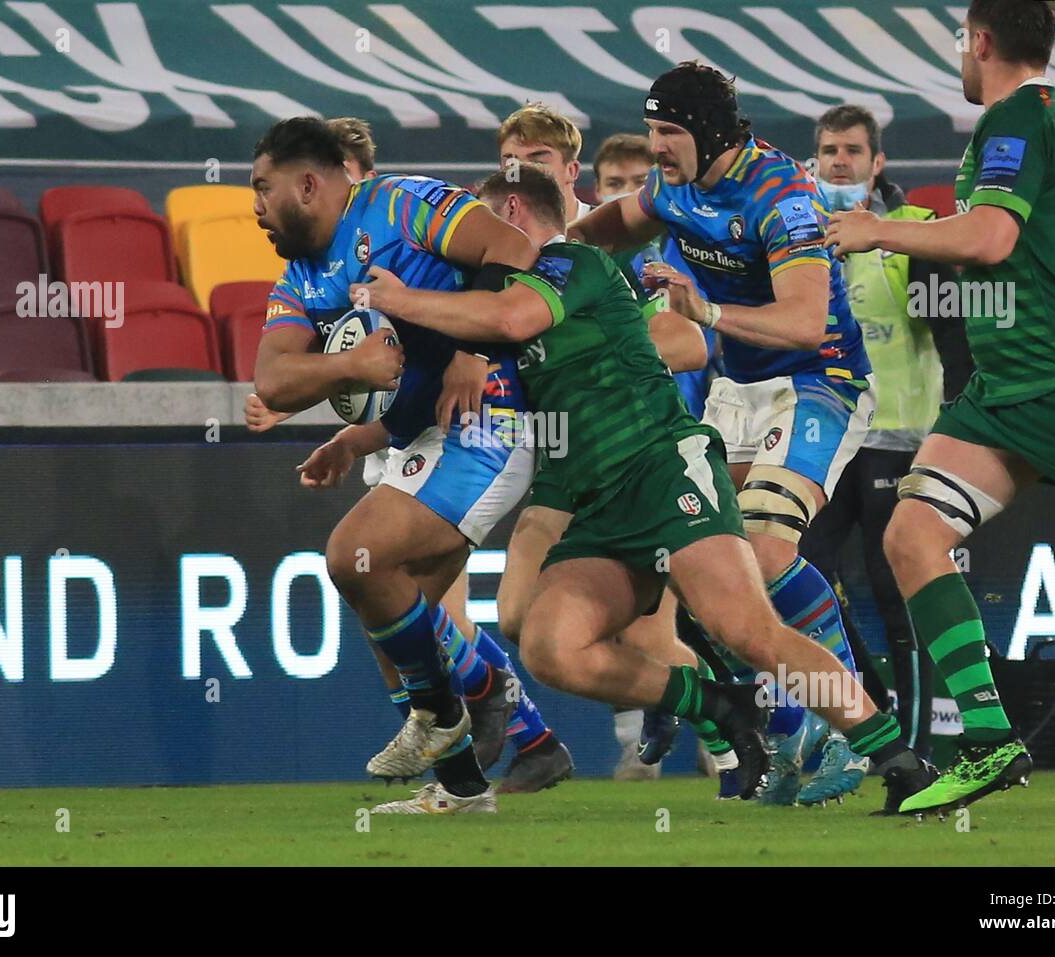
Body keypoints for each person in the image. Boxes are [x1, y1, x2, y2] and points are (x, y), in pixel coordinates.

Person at [344, 162, 938, 813]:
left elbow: (510, 318)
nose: (466, 251)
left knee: (749, 629)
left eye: (477, 228)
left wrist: (395, 297)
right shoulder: (492, 307)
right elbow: (453, 370)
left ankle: (898, 758)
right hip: (592, 501)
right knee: (549, 643)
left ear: (511, 214)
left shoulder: (573, 264)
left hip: (662, 472)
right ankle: (715, 702)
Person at [825, 0, 1055, 814]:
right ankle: (987, 740)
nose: (960, 57)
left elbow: (988, 239)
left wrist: (880, 230)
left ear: (980, 41)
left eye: (959, 42)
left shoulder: (1017, 119)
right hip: (1003, 388)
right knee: (914, 534)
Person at [569, 61, 874, 808]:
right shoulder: (675, 182)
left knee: (766, 553)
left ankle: (846, 725)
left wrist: (703, 314)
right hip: (737, 390)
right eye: (650, 130)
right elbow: (610, 225)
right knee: (698, 561)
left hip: (817, 381)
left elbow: (806, 321)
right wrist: (546, 264)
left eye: (668, 132)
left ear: (707, 131)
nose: (657, 147)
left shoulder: (782, 195)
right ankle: (794, 724)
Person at [251, 116, 540, 814]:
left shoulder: (403, 205)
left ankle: (451, 713)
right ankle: (464, 785)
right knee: (387, 609)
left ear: (310, 183)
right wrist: (352, 371)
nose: (254, 206)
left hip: (490, 413)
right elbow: (273, 381)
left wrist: (475, 351)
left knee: (353, 554)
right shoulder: (302, 277)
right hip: (422, 431)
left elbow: (512, 246)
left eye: (263, 188)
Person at [493, 107, 716, 787]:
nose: (518, 170)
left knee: (652, 632)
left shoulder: (609, 247)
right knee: (516, 614)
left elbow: (690, 339)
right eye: (509, 158)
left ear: (568, 170)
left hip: (639, 456)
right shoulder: (498, 246)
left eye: (534, 157)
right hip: (564, 465)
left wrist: (593, 353)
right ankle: (697, 707)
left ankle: (732, 730)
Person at [797, 105, 971, 790]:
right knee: (799, 579)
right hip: (823, 441)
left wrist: (957, 433)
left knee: (895, 589)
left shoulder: (914, 237)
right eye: (828, 150)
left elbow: (954, 342)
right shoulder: (797, 234)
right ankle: (879, 721)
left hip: (902, 441)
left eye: (852, 150)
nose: (838, 161)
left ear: (878, 164)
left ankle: (918, 747)